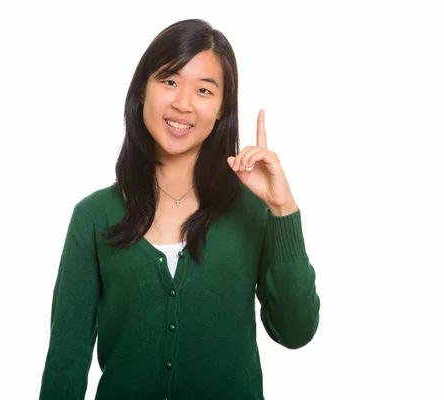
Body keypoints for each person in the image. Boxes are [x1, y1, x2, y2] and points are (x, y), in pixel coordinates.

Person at [39, 18, 321, 400]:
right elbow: (65, 364)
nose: (183, 103)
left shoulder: (253, 212)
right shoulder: (94, 215)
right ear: (143, 90)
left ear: (222, 108)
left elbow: (296, 331)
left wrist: (283, 209)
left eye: (204, 90)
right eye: (169, 81)